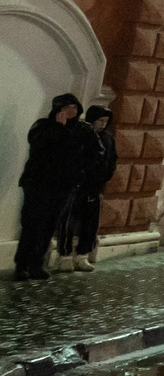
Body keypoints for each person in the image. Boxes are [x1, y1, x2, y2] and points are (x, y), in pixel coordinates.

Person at [14, 95, 87, 283]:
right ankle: (22, 265)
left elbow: (76, 154)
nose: (70, 111)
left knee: (48, 225)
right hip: (38, 184)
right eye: (66, 107)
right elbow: (40, 147)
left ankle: (37, 264)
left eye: (74, 107)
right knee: (31, 224)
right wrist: (58, 128)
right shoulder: (43, 126)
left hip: (62, 187)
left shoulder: (79, 131)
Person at [54, 106, 114, 272]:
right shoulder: (81, 134)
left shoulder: (107, 138)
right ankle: (64, 255)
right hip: (77, 185)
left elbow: (110, 161)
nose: (103, 124)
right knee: (68, 221)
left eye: (105, 122)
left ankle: (82, 255)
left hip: (94, 187)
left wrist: (103, 179)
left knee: (90, 223)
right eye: (100, 120)